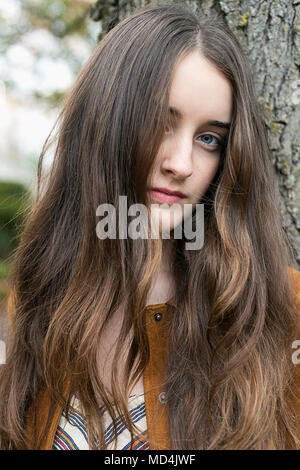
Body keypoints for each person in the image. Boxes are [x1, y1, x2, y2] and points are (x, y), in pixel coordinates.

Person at [1, 1, 300, 450]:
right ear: (107, 121)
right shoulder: (42, 294)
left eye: (209, 139)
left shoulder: (278, 309)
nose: (181, 164)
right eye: (161, 122)